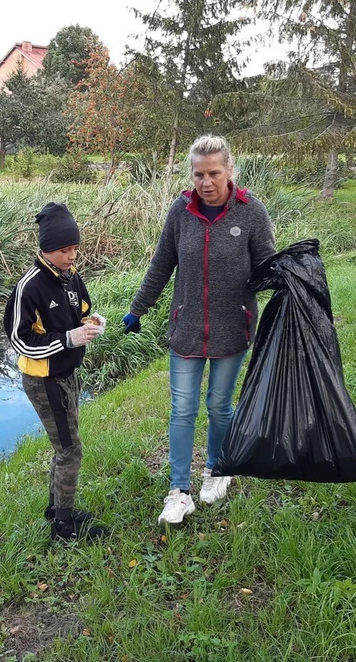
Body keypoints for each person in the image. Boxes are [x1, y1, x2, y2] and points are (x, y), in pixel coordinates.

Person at [123, 135, 276, 525]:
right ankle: (179, 491)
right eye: (198, 174)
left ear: (229, 172)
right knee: (182, 410)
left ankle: (216, 470)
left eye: (214, 173)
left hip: (232, 328)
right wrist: (137, 309)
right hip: (186, 328)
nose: (206, 182)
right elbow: (161, 265)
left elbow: (268, 267)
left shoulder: (251, 212)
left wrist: (291, 284)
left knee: (219, 406)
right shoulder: (181, 211)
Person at [4, 202, 107, 543]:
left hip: (68, 374)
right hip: (44, 380)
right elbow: (21, 340)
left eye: (75, 249)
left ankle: (55, 509)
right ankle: (63, 527)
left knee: (65, 446)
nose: (72, 256)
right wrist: (68, 338)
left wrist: (89, 324)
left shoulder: (71, 278)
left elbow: (83, 309)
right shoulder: (30, 286)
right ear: (46, 249)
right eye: (65, 250)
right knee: (69, 450)